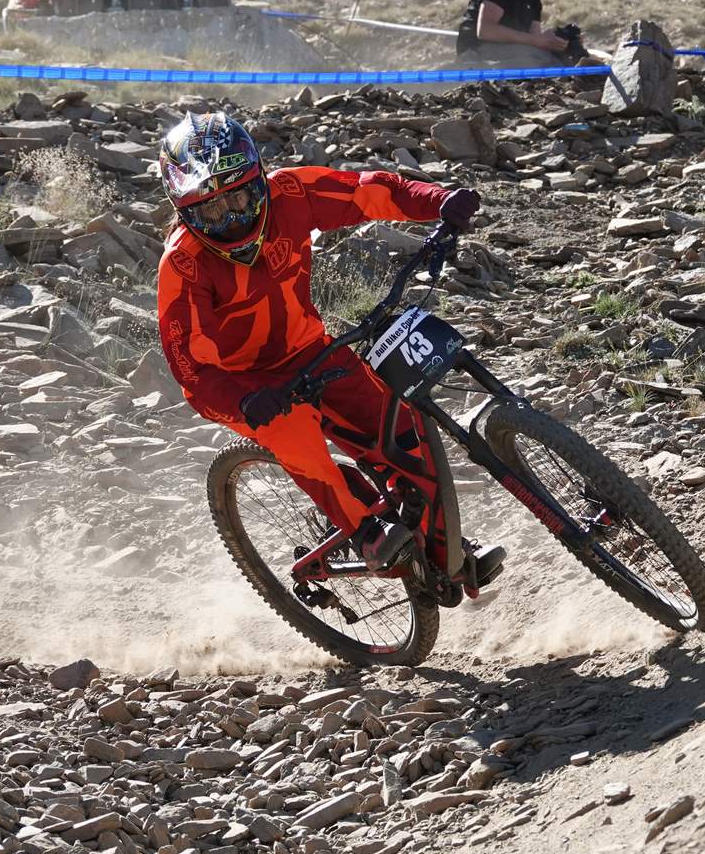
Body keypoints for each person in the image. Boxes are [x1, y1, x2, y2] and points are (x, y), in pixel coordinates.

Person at [156, 111, 505, 580]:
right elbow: (193, 373)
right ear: (185, 212)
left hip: (309, 349)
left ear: (260, 179)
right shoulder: (183, 265)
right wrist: (244, 402)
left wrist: (438, 201)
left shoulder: (291, 194)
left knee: (404, 435)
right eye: (212, 211)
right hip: (248, 386)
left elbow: (367, 191)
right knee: (294, 433)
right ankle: (366, 532)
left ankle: (451, 556)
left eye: (239, 197)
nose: (232, 219)